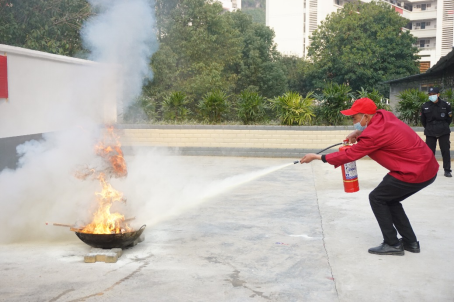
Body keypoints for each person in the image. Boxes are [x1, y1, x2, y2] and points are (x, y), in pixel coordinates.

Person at [300, 98, 439, 256]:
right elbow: (374, 133)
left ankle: (392, 244)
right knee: (390, 200)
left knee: (377, 198)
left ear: (366, 117)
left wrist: (318, 157)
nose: (353, 121)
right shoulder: (383, 116)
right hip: (427, 168)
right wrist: (359, 132)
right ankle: (411, 242)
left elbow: (351, 154)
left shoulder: (373, 135)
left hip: (413, 171)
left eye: (355, 118)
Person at [420, 87, 452, 177]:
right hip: (430, 131)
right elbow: (423, 120)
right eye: (430, 94)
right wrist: (429, 127)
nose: (431, 96)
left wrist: (443, 126)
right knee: (430, 152)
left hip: (443, 130)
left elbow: (449, 119)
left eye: (433, 94)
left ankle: (447, 170)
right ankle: (430, 171)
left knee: (445, 151)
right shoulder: (425, 106)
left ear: (438, 94)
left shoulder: (446, 105)